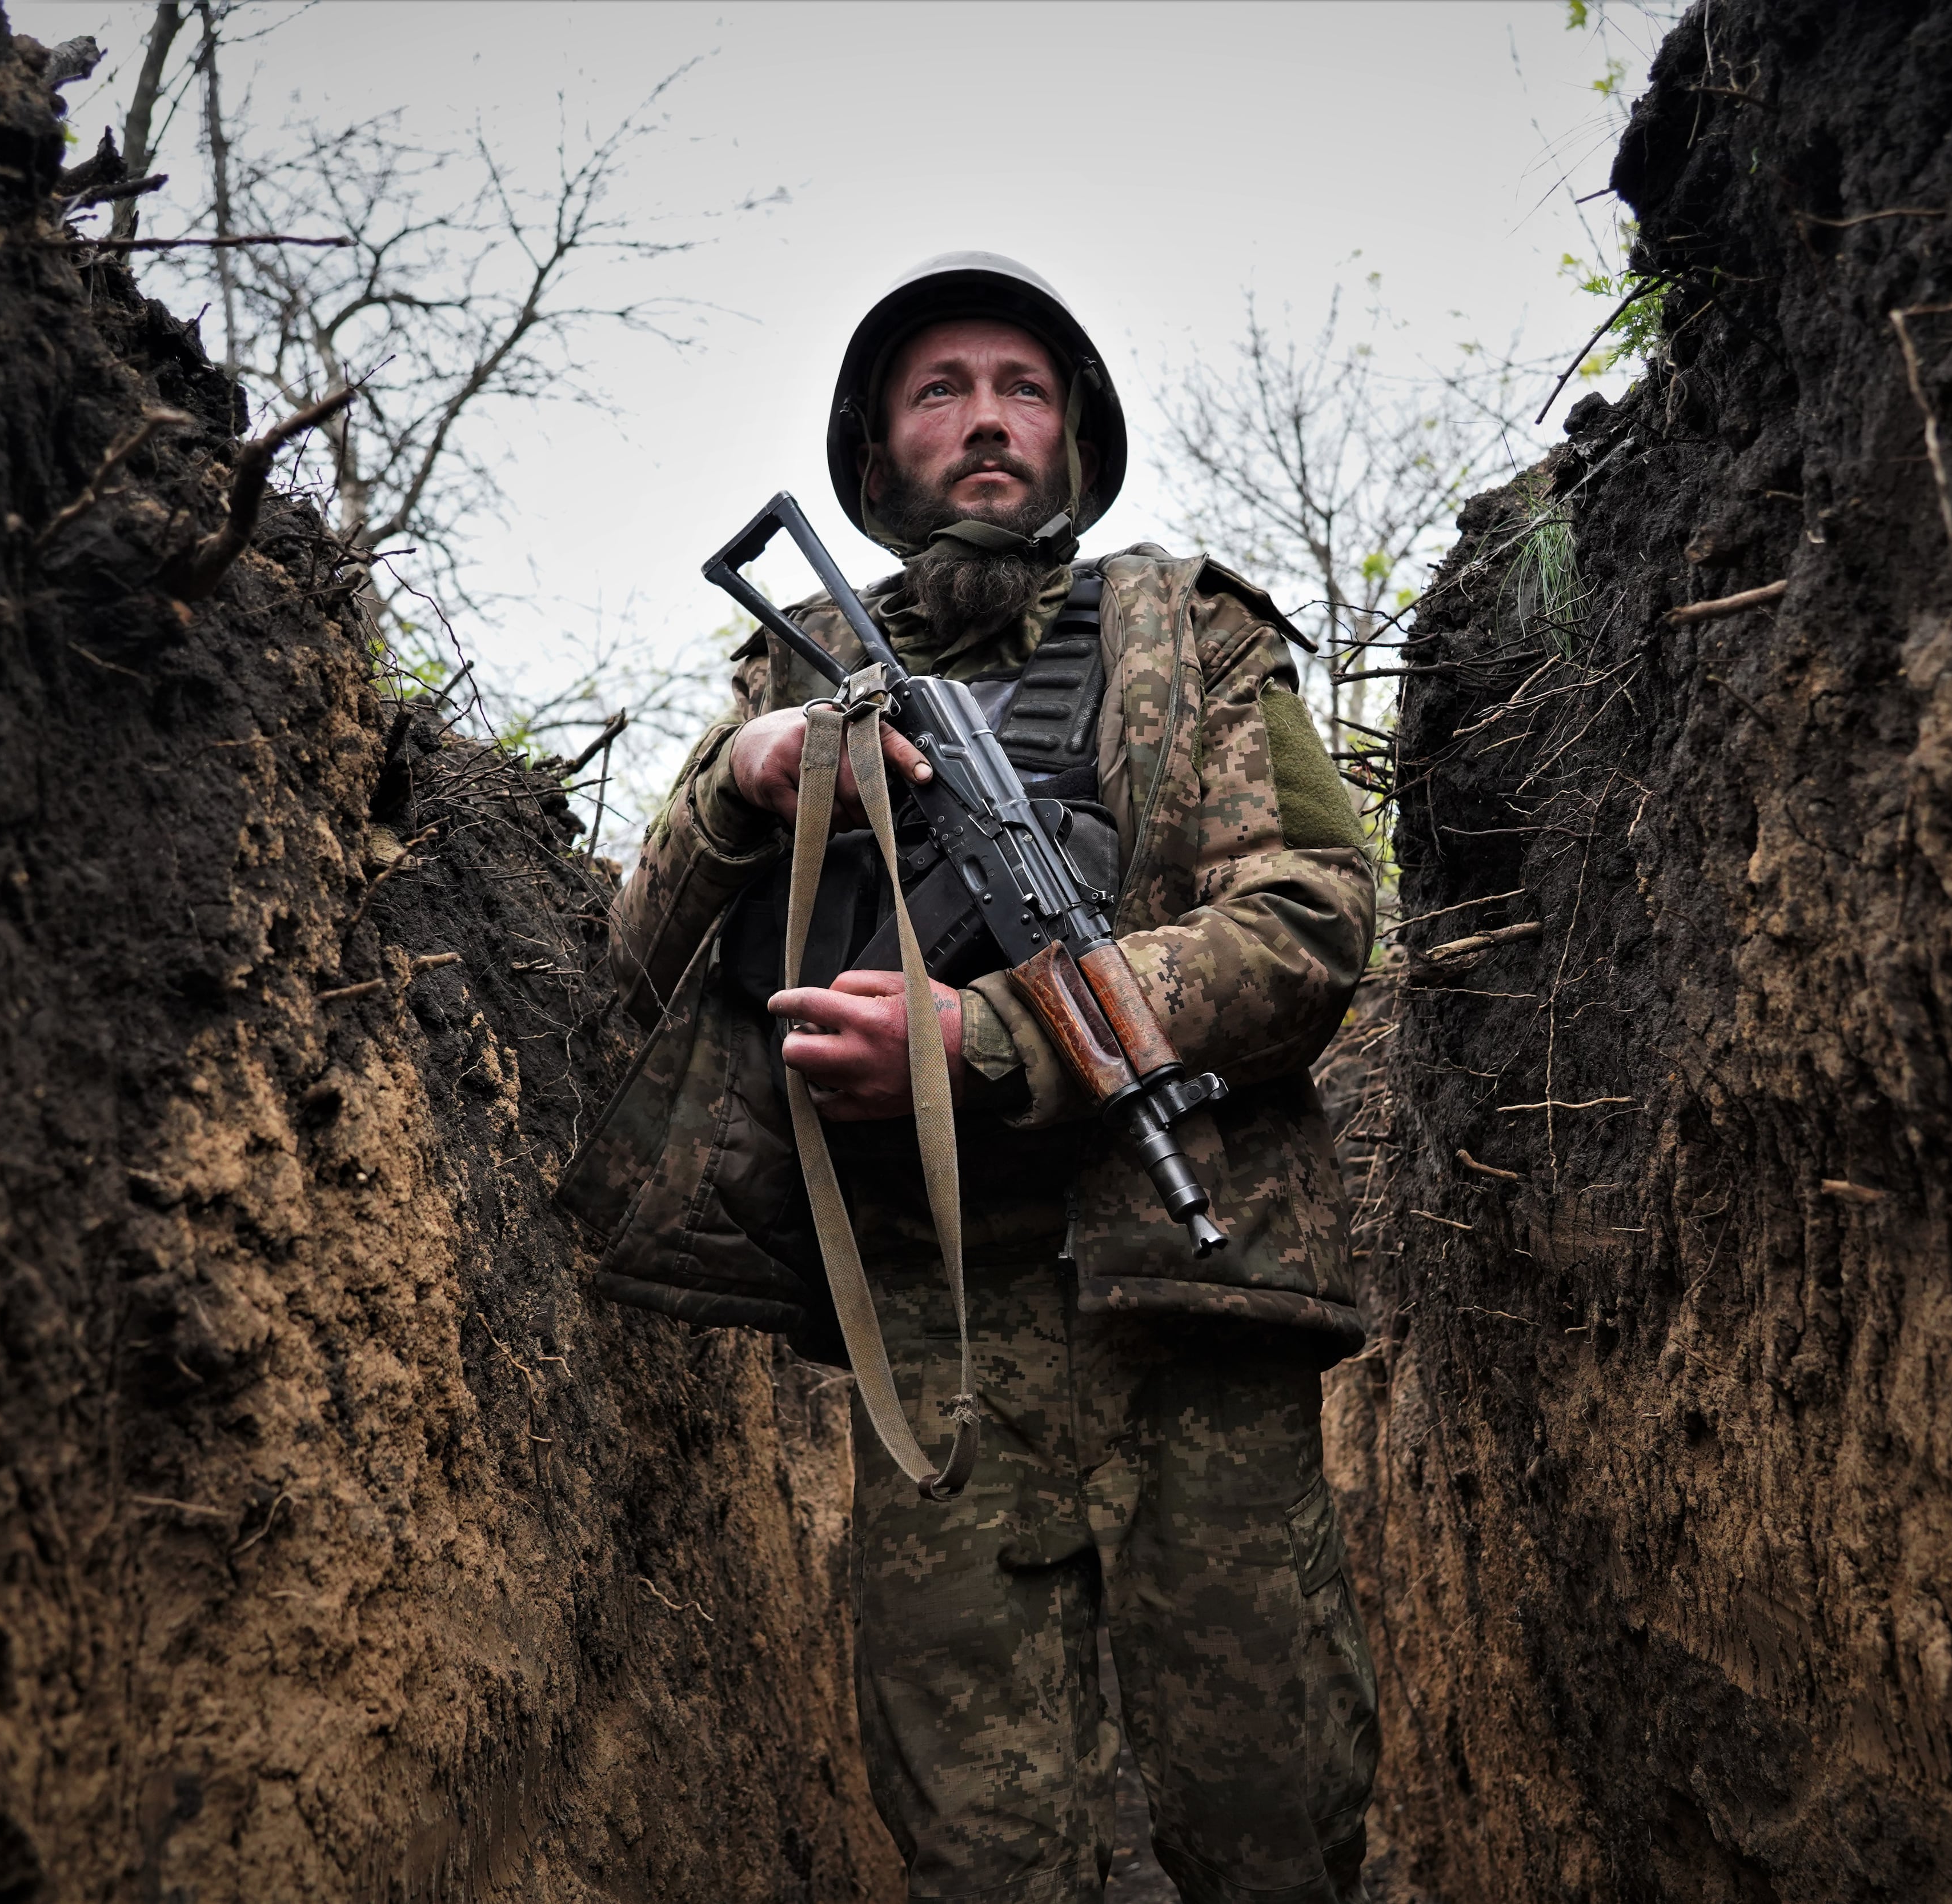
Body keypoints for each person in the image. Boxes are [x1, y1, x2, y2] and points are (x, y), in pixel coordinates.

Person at [568, 254, 1379, 1903]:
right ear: (879, 450)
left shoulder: (1193, 637)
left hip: (1187, 1303)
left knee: (1265, 1819)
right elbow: (634, 967)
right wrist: (743, 781)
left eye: (1022, 389)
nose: (986, 420)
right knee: (987, 1850)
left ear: (1073, 435)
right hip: (929, 1331)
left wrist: (987, 1042)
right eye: (941, 391)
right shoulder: (789, 665)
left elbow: (1310, 924)